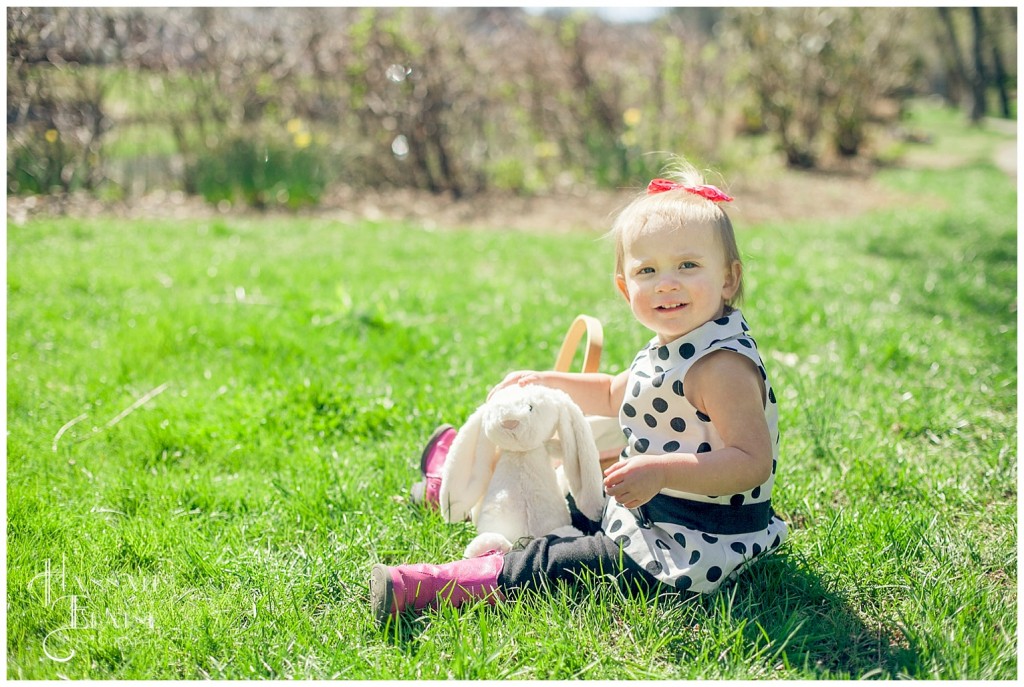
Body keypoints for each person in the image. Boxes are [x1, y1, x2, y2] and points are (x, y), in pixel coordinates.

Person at [372, 161, 789, 624]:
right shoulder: (678, 343)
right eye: (647, 270)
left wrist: (662, 471)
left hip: (695, 538)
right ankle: (466, 483)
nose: (666, 282)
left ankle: (444, 585)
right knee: (560, 499)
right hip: (650, 507)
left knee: (569, 562)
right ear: (623, 286)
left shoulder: (721, 366)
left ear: (729, 278)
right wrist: (544, 380)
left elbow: (751, 462)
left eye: (688, 265)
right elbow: (613, 394)